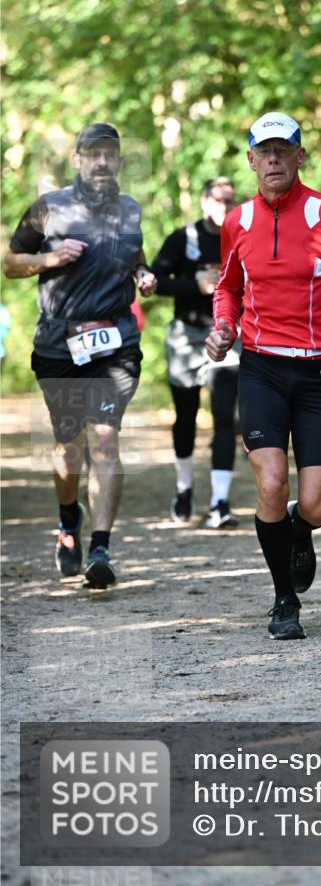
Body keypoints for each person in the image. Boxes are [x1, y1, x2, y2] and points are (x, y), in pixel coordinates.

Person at [206, 112, 321, 639]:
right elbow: (227, 287)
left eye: (285, 149)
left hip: (317, 371)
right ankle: (284, 600)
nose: (276, 158)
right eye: (266, 150)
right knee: (271, 480)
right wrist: (223, 327)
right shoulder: (236, 222)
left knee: (317, 505)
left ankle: (299, 528)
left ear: (300, 156)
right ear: (251, 160)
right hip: (260, 367)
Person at [3, 122, 156, 589]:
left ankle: (101, 548)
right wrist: (48, 259)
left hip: (116, 343)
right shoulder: (48, 208)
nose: (102, 161)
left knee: (106, 440)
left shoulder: (130, 210)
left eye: (110, 153)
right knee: (69, 448)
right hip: (58, 345)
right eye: (93, 154)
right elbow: (10, 263)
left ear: (120, 160)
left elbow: (135, 255)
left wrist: (144, 274)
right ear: (78, 160)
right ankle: (69, 520)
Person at [152, 177, 241, 528]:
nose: (226, 207)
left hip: (226, 335)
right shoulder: (182, 238)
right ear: (205, 202)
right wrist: (196, 285)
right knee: (186, 416)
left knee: (224, 418)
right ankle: (184, 489)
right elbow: (154, 281)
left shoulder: (244, 234)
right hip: (186, 338)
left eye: (231, 201)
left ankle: (220, 502)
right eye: (219, 200)